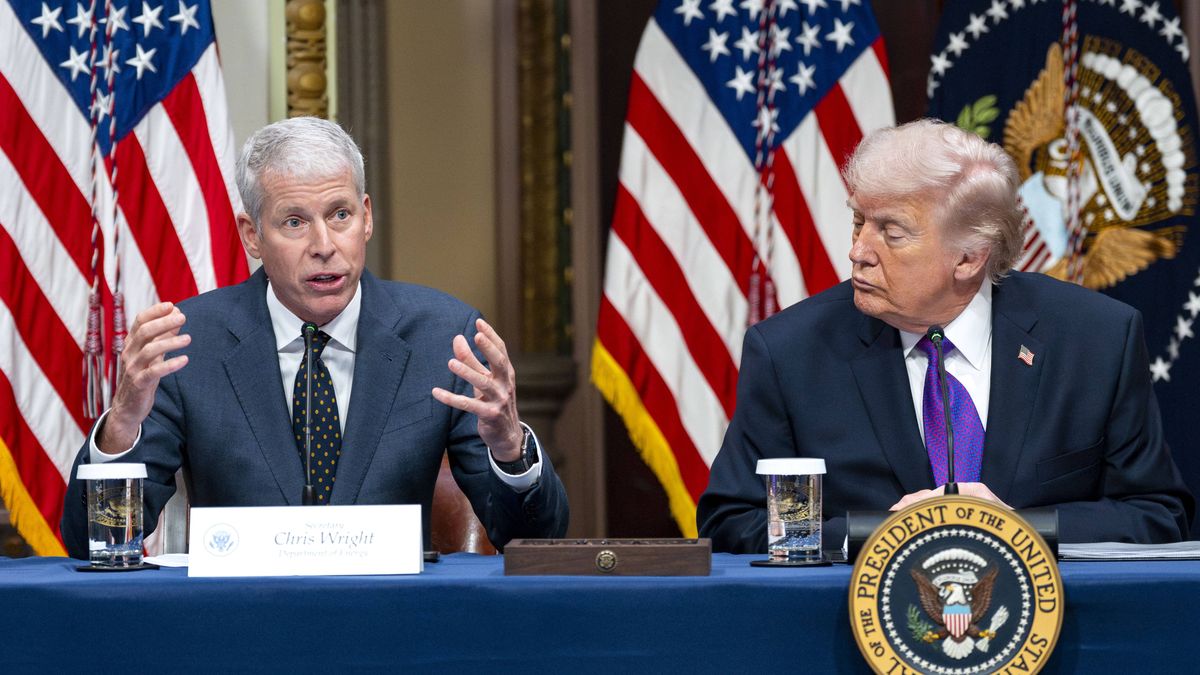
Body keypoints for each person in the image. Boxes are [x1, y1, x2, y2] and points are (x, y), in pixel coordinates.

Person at [61, 117, 568, 557]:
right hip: (244, 633)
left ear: (366, 217)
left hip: (394, 631)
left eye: (340, 215)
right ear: (252, 235)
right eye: (295, 222)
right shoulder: (190, 346)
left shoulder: (444, 338)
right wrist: (122, 426)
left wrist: (509, 446)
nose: (324, 246)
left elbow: (535, 540)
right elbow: (94, 543)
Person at [697, 119, 1193, 550]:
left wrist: (1019, 528)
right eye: (858, 222)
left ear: (969, 257)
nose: (858, 251)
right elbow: (733, 520)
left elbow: (1157, 515)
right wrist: (881, 534)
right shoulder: (791, 352)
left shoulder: (1097, 339)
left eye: (891, 232)